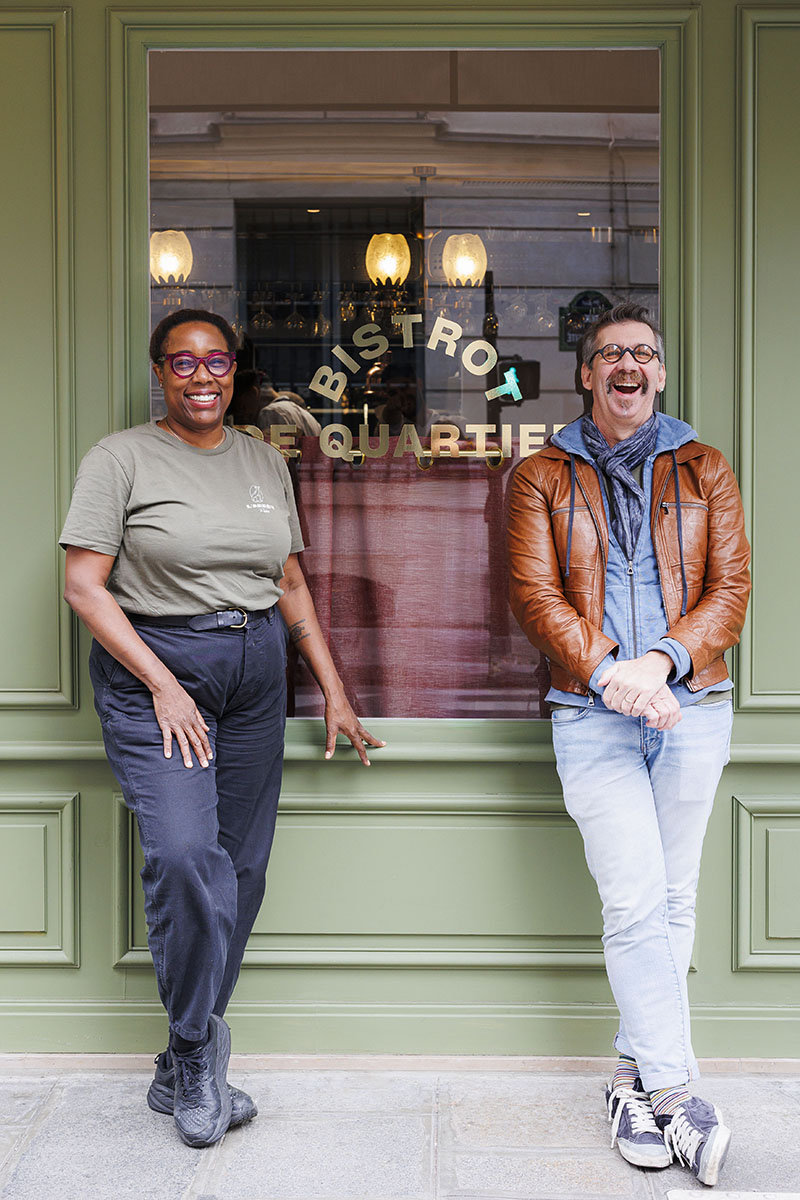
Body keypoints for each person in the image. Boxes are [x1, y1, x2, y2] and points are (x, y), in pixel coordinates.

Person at [60, 308, 384, 1149]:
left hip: (252, 677)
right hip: (158, 671)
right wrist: (163, 684)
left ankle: (181, 1056)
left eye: (216, 362)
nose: (200, 377)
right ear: (160, 373)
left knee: (238, 868)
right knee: (181, 855)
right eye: (182, 363)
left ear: (235, 371)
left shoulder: (260, 461)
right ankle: (203, 1050)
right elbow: (84, 587)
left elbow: (290, 583)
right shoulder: (120, 459)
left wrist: (335, 691)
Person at [506, 302, 750, 1187]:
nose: (630, 367)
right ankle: (679, 1095)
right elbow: (535, 595)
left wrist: (661, 663)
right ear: (585, 373)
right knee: (636, 900)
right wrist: (613, 676)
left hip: (691, 706)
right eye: (612, 354)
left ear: (658, 370)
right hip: (592, 712)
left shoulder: (705, 467)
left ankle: (629, 1078)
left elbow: (732, 588)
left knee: (671, 904)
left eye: (643, 354)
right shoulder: (540, 473)